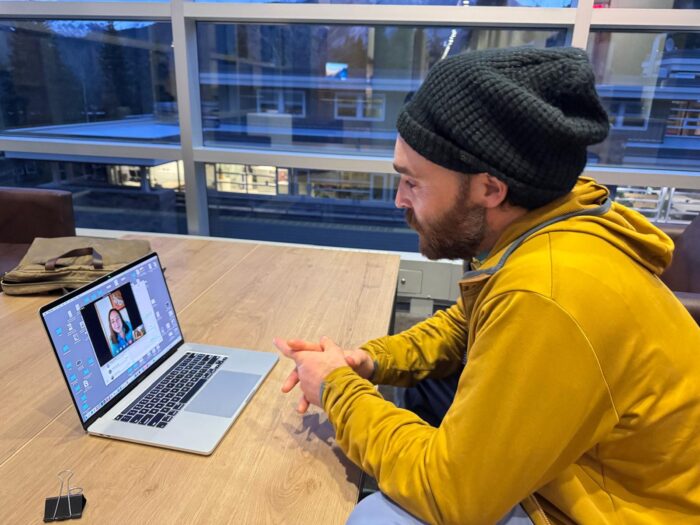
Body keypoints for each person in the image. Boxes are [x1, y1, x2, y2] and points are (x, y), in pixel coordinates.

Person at [274, 46, 700, 524]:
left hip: (620, 510)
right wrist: (372, 361)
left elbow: (450, 496)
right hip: (579, 465)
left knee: (377, 518)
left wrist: (337, 390)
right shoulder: (550, 222)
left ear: (490, 189)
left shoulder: (548, 293)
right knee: (422, 393)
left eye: (412, 183)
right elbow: (465, 323)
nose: (399, 200)